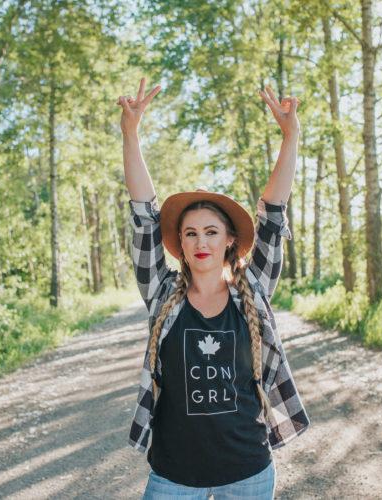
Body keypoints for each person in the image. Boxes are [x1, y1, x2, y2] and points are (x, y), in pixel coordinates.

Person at [116, 78, 310, 499]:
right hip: (172, 476)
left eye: (210, 232)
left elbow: (273, 215)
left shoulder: (252, 291)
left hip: (249, 473)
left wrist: (291, 135)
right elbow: (144, 215)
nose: (200, 242)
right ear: (180, 245)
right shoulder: (162, 294)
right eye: (190, 234)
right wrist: (130, 134)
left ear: (228, 241)